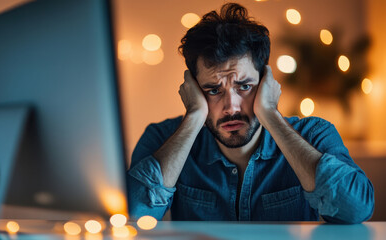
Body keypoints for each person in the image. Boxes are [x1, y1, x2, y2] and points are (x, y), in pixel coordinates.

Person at [126, 3, 374, 223]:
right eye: (213, 90)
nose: (231, 107)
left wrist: (270, 115)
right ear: (192, 90)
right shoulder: (162, 138)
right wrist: (193, 117)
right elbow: (134, 216)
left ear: (265, 82)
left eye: (244, 87)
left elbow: (355, 210)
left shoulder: (314, 134)